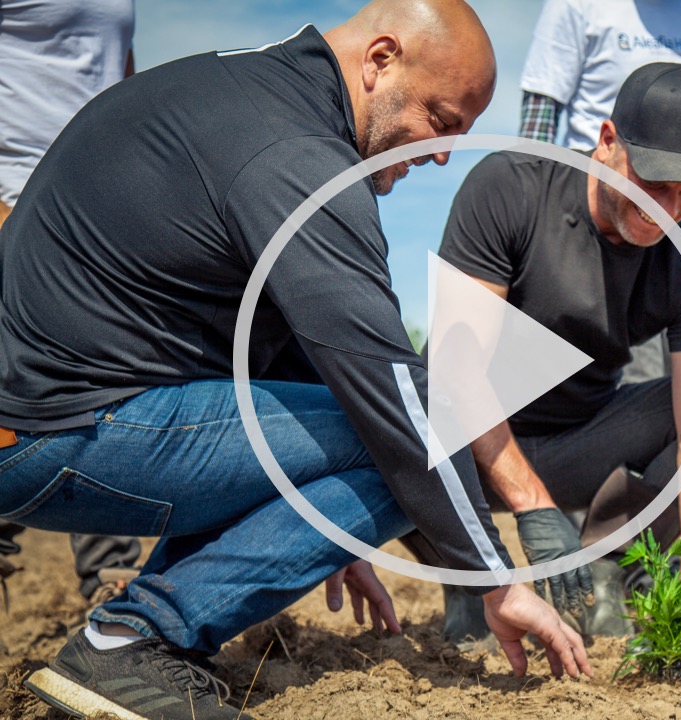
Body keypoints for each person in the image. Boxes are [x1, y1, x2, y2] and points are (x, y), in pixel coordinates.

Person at [0, 2, 591, 718]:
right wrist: (497, 579)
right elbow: (391, 391)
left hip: (53, 415)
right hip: (55, 431)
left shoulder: (244, 93)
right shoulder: (298, 154)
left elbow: (307, 359)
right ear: (381, 61)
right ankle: (131, 642)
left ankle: (135, 633)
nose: (441, 153)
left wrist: (330, 531)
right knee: (416, 428)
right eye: (442, 119)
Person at [412, 62, 681, 680]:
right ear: (608, 142)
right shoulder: (513, 187)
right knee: (385, 409)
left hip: (577, 444)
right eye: (654, 183)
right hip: (457, 455)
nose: (667, 210)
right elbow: (456, 371)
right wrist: (532, 508)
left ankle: (610, 557)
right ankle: (471, 568)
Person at [518, 0, 681, 383]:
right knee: (634, 384)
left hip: (678, 247)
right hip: (608, 233)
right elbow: (538, 127)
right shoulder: (578, 5)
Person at [0, 0, 142, 605]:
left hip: (94, 201)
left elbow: (119, 71)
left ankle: (110, 574)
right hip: (13, 189)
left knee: (104, 379)